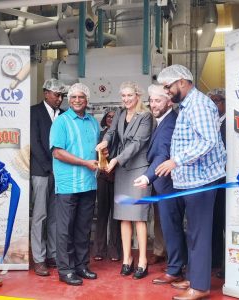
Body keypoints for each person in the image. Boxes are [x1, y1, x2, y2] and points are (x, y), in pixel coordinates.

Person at [155, 65, 226, 300]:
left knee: (199, 234)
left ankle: (200, 287)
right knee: (193, 233)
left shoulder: (199, 105)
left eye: (168, 87)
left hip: (201, 182)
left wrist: (176, 161)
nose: (166, 93)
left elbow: (208, 141)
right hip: (189, 182)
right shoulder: (187, 105)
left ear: (183, 82)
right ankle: (195, 278)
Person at [95, 81, 153, 280]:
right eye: (123, 96)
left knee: (138, 216)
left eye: (130, 95)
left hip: (138, 170)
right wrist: (105, 142)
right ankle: (127, 260)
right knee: (123, 216)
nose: (126, 99)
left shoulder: (146, 117)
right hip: (121, 170)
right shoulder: (119, 113)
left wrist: (116, 160)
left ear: (137, 95)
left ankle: (142, 261)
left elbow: (137, 144)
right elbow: (111, 133)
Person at [134, 84, 187, 285]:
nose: (153, 105)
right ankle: (178, 264)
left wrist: (148, 177)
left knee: (171, 226)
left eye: (158, 100)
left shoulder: (170, 122)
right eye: (151, 100)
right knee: (170, 226)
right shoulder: (163, 120)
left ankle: (175, 270)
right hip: (166, 184)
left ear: (169, 101)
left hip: (168, 185)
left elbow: (163, 155)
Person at [50, 83, 100, 286]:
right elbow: (57, 152)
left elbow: (96, 149)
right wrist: (84, 162)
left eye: (81, 97)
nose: (77, 100)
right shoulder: (61, 122)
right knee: (65, 229)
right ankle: (66, 270)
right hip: (68, 184)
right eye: (73, 97)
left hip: (89, 184)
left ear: (87, 100)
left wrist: (102, 157)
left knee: (83, 228)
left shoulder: (93, 122)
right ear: (68, 100)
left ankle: (81, 265)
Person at [30, 78, 68, 276]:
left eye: (62, 96)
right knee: (40, 216)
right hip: (41, 172)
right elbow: (34, 143)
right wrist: (48, 166)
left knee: (55, 216)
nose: (60, 99)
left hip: (60, 173)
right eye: (56, 95)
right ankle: (39, 258)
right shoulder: (34, 112)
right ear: (46, 93)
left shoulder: (64, 115)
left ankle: (53, 254)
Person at [93, 110, 122, 262]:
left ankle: (115, 250)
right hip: (103, 177)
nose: (111, 119)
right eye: (109, 116)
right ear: (105, 119)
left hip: (118, 178)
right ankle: (99, 250)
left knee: (116, 216)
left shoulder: (121, 134)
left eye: (114, 116)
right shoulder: (100, 135)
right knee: (102, 214)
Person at [209, 90, 226, 279]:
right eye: (211, 101)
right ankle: (215, 260)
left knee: (223, 221)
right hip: (214, 180)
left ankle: (224, 263)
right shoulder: (214, 122)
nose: (214, 104)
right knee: (214, 221)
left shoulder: (227, 122)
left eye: (217, 100)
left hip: (224, 179)